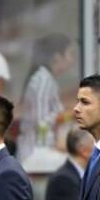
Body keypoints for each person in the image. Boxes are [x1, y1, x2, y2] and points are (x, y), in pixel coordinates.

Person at [16, 33, 74, 162]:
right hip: (35, 154)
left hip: (40, 153)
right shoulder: (43, 81)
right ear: (57, 57)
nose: (72, 60)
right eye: (70, 54)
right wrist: (67, 115)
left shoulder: (46, 79)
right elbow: (41, 122)